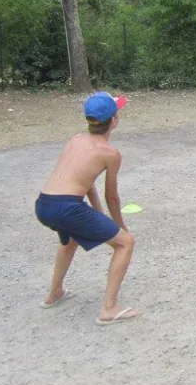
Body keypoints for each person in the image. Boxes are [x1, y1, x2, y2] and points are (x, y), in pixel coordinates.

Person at [35, 91, 140, 326]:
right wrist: (120, 227)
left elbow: (88, 182)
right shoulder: (110, 154)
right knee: (126, 243)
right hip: (67, 207)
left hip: (44, 204)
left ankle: (54, 293)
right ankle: (108, 309)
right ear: (113, 121)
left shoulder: (76, 139)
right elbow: (111, 196)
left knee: (70, 240)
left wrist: (97, 216)